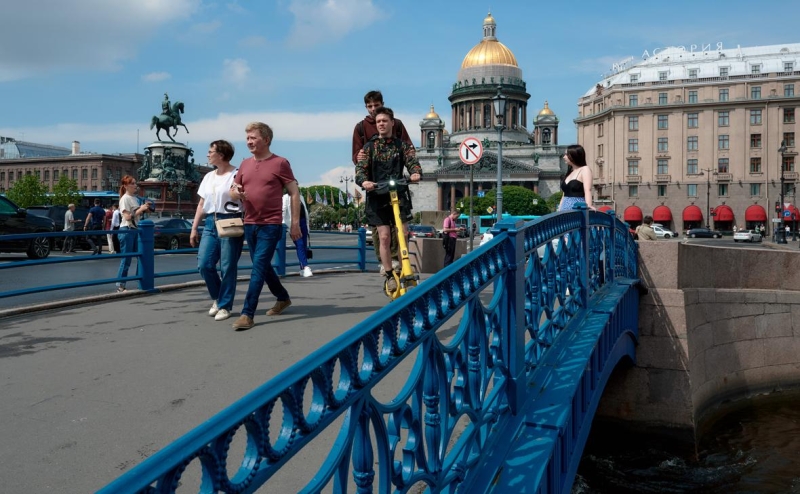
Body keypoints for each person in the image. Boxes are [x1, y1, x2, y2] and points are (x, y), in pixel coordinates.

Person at [229, 122, 301, 330]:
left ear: (266, 140)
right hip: (250, 223)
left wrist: (294, 224)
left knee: (258, 267)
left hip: (271, 225)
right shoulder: (244, 165)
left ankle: (247, 314)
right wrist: (237, 193)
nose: (249, 142)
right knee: (263, 266)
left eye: (253, 138)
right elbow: (233, 190)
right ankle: (282, 297)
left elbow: (294, 192)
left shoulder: (280, 163)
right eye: (247, 138)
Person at [356, 107, 422, 292]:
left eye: (385, 121)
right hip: (377, 196)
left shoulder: (402, 146)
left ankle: (404, 269)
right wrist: (364, 181)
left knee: (403, 234)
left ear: (392, 123)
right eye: (378, 122)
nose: (381, 124)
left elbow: (412, 161)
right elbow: (360, 169)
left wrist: (415, 172)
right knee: (384, 237)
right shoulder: (369, 147)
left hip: (398, 193)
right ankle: (388, 273)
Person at [352, 90, 413, 274]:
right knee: (382, 233)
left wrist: (415, 171)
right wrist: (363, 178)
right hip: (375, 183)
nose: (373, 110)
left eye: (376, 106)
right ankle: (386, 266)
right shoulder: (361, 128)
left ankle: (402, 265)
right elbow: (357, 156)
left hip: (395, 180)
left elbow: (408, 150)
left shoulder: (398, 126)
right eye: (369, 107)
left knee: (402, 230)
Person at [189, 140, 245, 322]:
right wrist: (194, 227)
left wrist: (238, 193)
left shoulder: (237, 174)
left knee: (228, 267)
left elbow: (243, 197)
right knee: (204, 264)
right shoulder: (208, 176)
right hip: (211, 223)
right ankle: (219, 298)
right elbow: (201, 204)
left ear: (221, 155)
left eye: (210, 151)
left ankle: (225, 305)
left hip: (230, 221)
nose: (207, 154)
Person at [116, 176, 151, 292]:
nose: (135, 185)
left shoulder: (135, 198)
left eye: (135, 183)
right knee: (126, 259)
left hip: (135, 229)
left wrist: (146, 209)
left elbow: (137, 214)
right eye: (132, 184)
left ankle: (140, 280)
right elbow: (127, 217)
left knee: (141, 256)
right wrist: (140, 210)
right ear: (126, 186)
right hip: (127, 229)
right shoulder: (125, 199)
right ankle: (121, 285)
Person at [282, 184, 313, 277]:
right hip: (293, 224)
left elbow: (305, 212)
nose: (296, 186)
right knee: (299, 244)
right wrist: (286, 225)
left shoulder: (301, 197)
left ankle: (302, 268)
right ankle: (305, 267)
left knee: (303, 246)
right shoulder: (285, 198)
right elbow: (283, 211)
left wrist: (307, 226)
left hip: (303, 223)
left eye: (297, 184)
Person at [557, 144, 595, 212]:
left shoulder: (585, 169)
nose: (564, 157)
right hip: (564, 210)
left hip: (577, 210)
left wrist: (588, 206)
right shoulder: (570, 172)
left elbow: (587, 190)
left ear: (574, 155)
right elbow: (564, 194)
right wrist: (559, 208)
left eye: (566, 154)